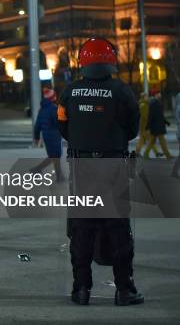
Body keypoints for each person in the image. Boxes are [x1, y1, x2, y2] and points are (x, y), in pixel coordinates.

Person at [57, 37, 143, 306]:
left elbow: (63, 125)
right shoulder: (121, 90)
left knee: (82, 229)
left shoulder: (70, 91)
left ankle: (81, 289)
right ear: (111, 61)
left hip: (82, 168)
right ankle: (124, 289)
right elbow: (133, 127)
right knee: (118, 228)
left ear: (82, 62)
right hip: (113, 166)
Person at [31, 87, 65, 181]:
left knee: (53, 156)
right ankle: (38, 170)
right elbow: (58, 123)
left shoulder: (42, 110)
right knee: (55, 156)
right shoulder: (54, 109)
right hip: (54, 135)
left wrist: (37, 137)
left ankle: (58, 176)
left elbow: (37, 125)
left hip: (46, 136)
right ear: (53, 97)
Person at [143, 91, 172, 159]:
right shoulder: (153, 104)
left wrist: (166, 122)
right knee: (162, 142)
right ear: (156, 95)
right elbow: (151, 116)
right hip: (156, 127)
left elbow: (161, 116)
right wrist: (147, 126)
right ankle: (168, 155)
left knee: (152, 142)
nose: (160, 95)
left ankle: (145, 154)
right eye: (159, 93)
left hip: (157, 126)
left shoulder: (157, 103)